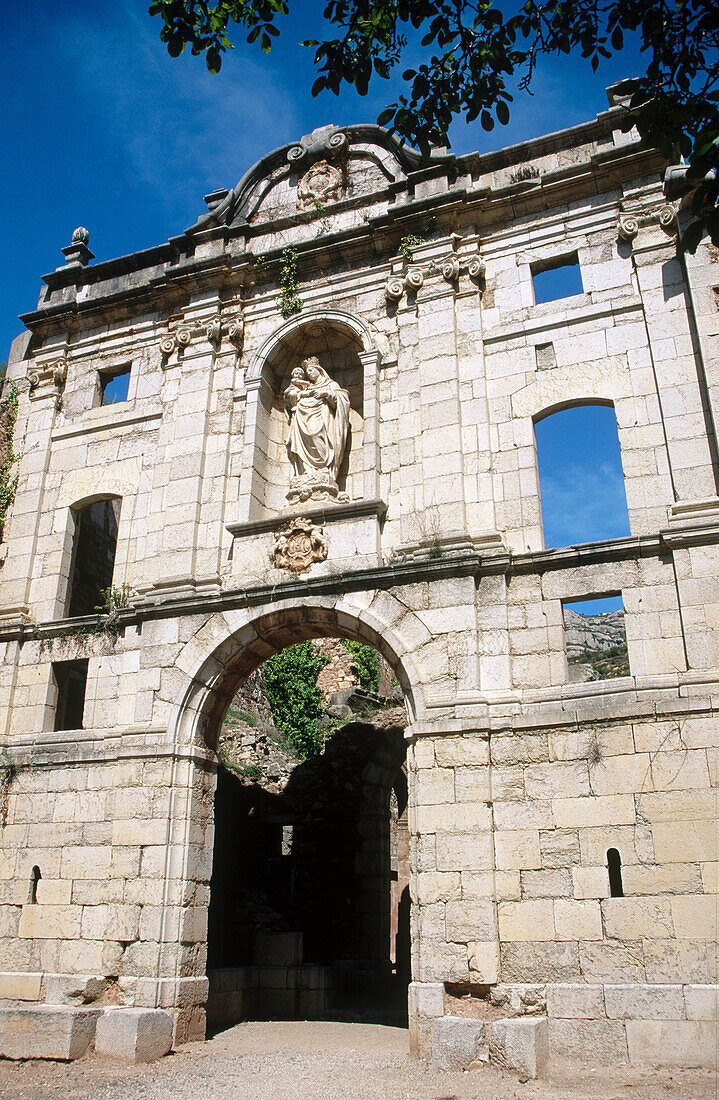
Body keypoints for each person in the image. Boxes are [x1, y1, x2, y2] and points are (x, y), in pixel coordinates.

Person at [285, 356, 350, 482]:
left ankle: (323, 468)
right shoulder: (307, 386)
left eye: (310, 371)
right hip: (303, 418)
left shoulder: (331, 384)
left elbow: (342, 400)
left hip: (323, 417)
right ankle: (307, 470)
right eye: (307, 372)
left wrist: (326, 394)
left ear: (319, 370)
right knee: (305, 439)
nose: (308, 374)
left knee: (317, 435)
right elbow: (292, 396)